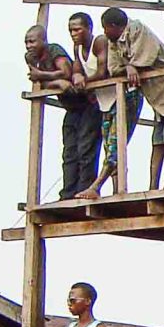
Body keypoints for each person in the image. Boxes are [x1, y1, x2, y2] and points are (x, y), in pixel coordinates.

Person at [82, 7, 164, 196]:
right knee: (158, 140)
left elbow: (147, 56)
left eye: (106, 28)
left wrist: (131, 66)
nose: (104, 33)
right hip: (157, 96)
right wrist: (129, 67)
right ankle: (154, 187)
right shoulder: (115, 42)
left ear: (114, 26)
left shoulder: (136, 29)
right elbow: (114, 68)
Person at [25, 26, 94, 201]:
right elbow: (41, 82)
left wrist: (44, 75)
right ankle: (68, 193)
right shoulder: (31, 58)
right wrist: (57, 83)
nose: (29, 45)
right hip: (71, 108)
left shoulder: (53, 50)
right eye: (26, 42)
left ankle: (84, 189)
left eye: (32, 41)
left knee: (85, 149)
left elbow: (66, 73)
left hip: (86, 104)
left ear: (43, 41)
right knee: (69, 152)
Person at [61, 13, 109, 198]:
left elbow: (103, 72)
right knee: (74, 149)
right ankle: (71, 192)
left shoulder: (99, 42)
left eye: (77, 29)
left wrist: (84, 81)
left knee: (89, 146)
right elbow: (76, 70)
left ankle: (85, 188)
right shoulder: (77, 48)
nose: (73, 34)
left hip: (109, 100)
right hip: (94, 100)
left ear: (89, 28)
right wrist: (77, 76)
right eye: (70, 30)